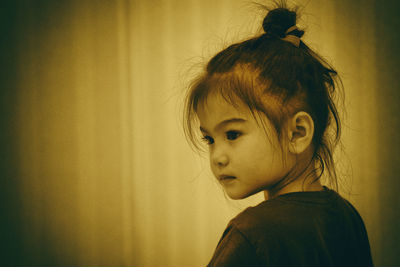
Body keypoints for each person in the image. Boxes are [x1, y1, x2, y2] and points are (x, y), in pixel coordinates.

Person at [183, 3, 373, 267]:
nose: (217, 157)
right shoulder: (347, 216)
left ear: (297, 133)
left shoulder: (251, 236)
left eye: (233, 133)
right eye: (210, 139)